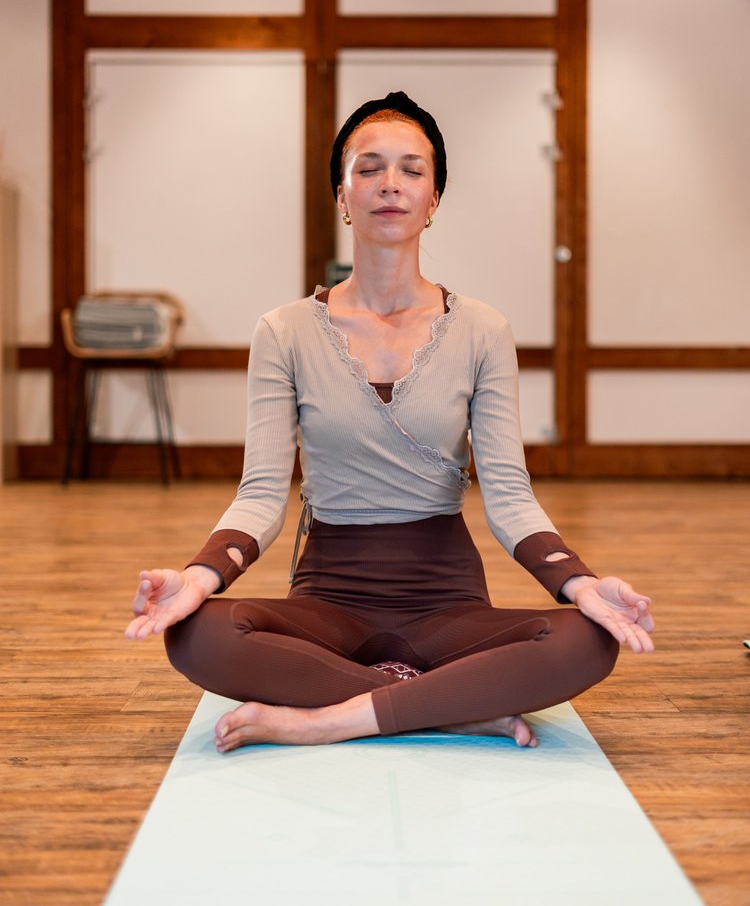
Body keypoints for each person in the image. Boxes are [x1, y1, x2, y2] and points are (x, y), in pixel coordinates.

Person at [125, 91, 655, 753]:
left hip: (447, 601)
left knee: (588, 639)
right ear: (342, 196)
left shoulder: (483, 330)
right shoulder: (284, 331)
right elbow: (260, 494)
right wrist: (198, 577)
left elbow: (510, 496)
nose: (390, 184)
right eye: (369, 168)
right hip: (327, 601)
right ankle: (453, 706)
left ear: (434, 199)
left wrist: (581, 583)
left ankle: (329, 719)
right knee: (197, 634)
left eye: (412, 169)